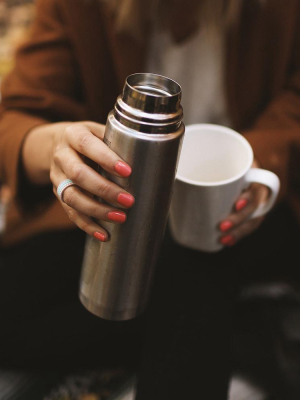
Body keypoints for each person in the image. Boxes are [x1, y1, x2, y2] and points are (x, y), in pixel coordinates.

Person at [0, 0, 300, 398]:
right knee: (12, 313)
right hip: (116, 215)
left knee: (193, 264)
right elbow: (15, 113)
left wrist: (256, 161)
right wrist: (56, 147)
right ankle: (239, 330)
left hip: (242, 214)